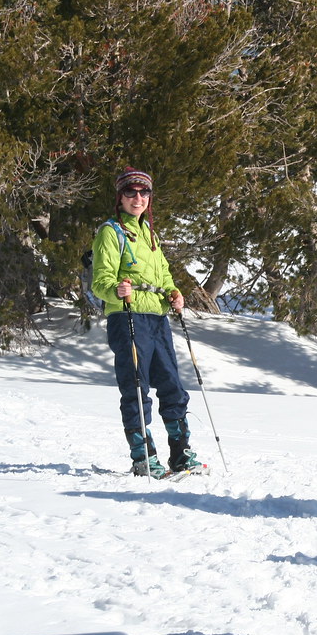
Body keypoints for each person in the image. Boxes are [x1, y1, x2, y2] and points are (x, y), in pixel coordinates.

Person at [91, 167, 203, 478]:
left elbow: (164, 275)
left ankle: (181, 454)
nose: (137, 198)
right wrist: (116, 289)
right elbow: (99, 280)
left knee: (171, 384)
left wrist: (173, 293)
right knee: (137, 386)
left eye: (144, 192)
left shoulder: (150, 234)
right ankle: (144, 457)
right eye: (131, 192)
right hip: (127, 316)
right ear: (120, 197)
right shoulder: (111, 232)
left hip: (157, 317)